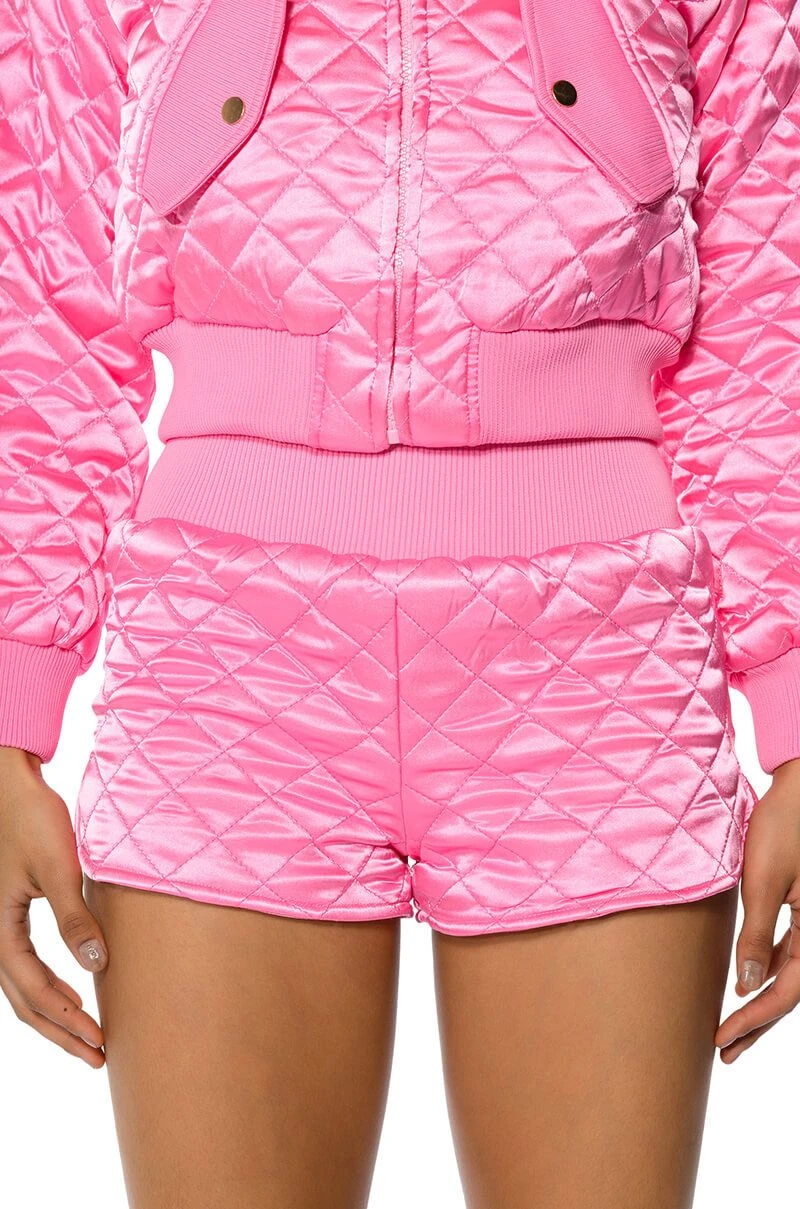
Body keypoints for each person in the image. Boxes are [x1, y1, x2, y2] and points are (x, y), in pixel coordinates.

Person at [1, 0, 799, 1205]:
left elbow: (762, 324)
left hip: (596, 665)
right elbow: (40, 308)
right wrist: (9, 709)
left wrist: (793, 716)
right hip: (228, 660)